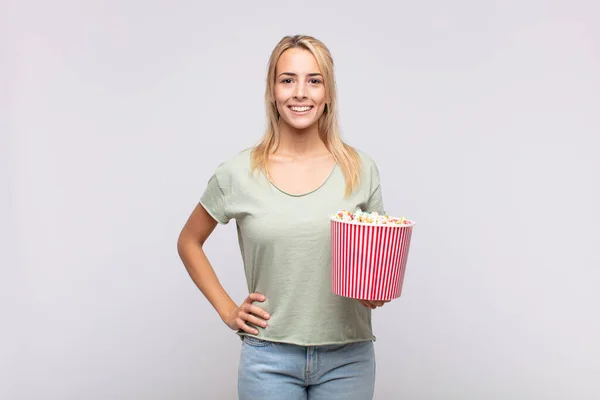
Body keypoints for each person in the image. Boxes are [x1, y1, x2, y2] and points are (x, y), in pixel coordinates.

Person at [177, 34, 390, 400]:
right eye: (287, 79)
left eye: (314, 80)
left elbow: (377, 254)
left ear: (328, 93)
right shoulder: (238, 172)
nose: (300, 92)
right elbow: (189, 241)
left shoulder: (360, 169)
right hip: (268, 358)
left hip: (348, 357)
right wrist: (229, 310)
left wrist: (375, 289)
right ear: (273, 92)